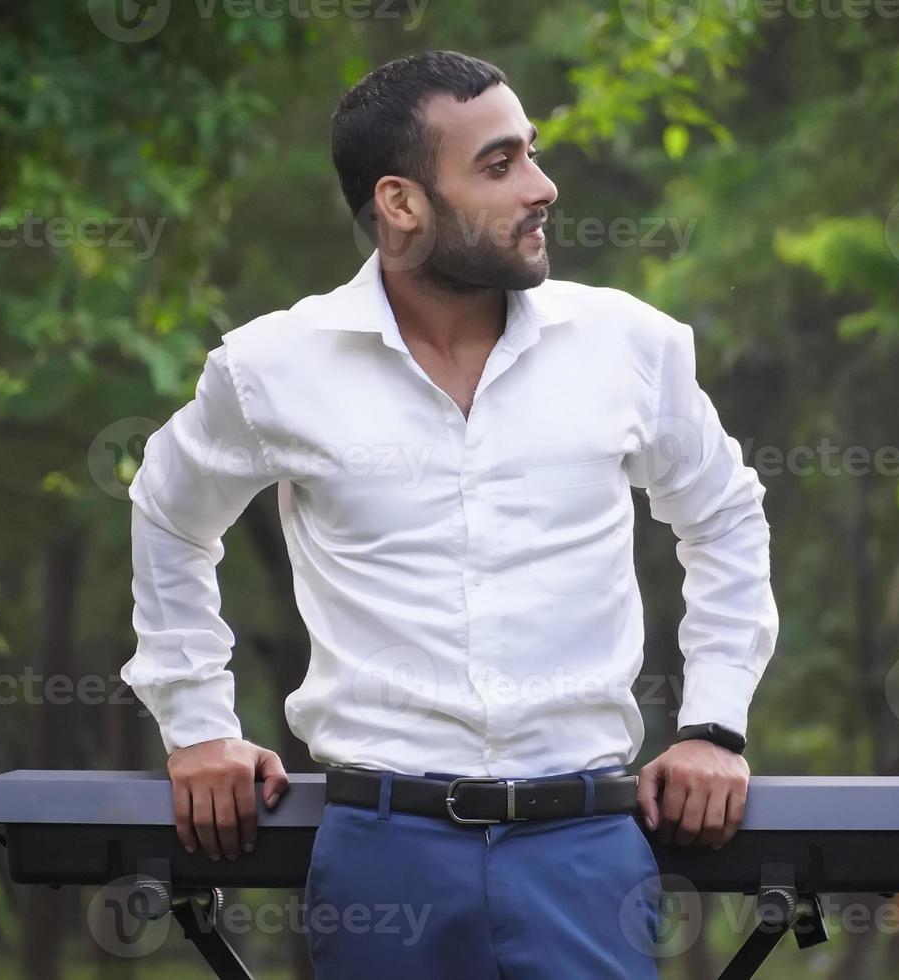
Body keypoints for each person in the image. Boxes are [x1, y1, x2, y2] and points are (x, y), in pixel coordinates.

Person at [120, 50, 779, 978]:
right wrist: (196, 725)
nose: (542, 188)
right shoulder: (273, 367)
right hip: (381, 856)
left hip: (586, 848)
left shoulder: (629, 346)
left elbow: (723, 515)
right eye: (500, 164)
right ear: (401, 204)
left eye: (532, 154)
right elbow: (168, 509)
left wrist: (713, 725)